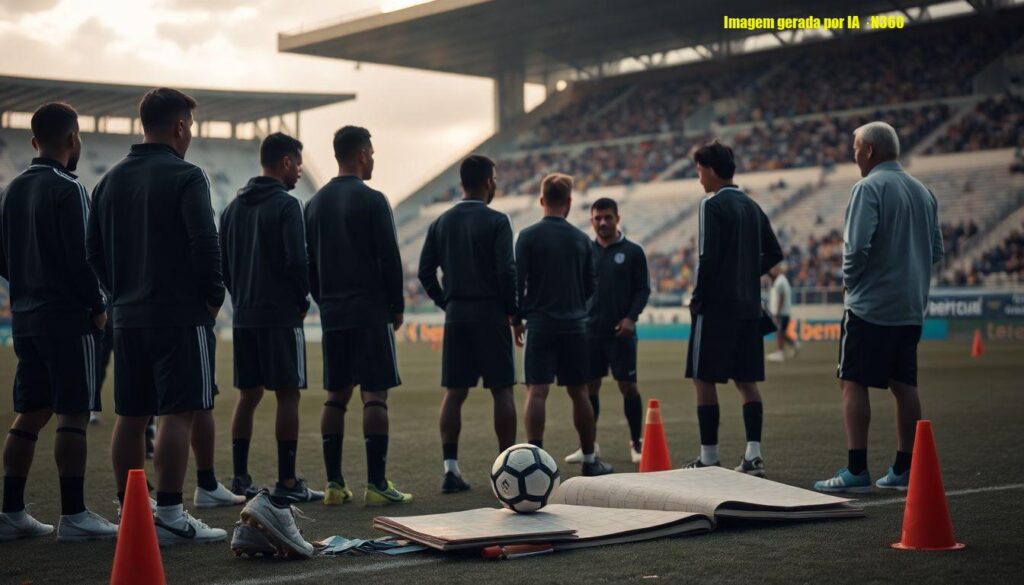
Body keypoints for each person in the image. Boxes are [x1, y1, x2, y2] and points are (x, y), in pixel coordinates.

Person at [87, 88, 235, 545]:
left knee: (131, 414)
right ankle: (170, 513)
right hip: (178, 313)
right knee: (178, 411)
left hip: (127, 315)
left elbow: (92, 251)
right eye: (190, 126)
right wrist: (213, 297)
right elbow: (205, 241)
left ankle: (133, 509)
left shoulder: (108, 180)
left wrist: (117, 294)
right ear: (179, 126)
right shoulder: (187, 175)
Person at [0, 102, 118, 542]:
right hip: (67, 319)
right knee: (73, 413)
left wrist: (28, 285)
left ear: (34, 141)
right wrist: (98, 304)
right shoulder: (69, 189)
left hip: (26, 317)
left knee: (30, 413)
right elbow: (81, 258)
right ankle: (74, 515)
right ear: (73, 138)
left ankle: (11, 512)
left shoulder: (11, 190)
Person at [814, 122, 944, 493]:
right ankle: (905, 468)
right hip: (910, 305)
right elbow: (936, 251)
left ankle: (856, 470)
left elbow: (856, 247)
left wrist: (850, 282)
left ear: (869, 150)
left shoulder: (868, 188)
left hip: (870, 305)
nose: (853, 154)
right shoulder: (924, 192)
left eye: (856, 147)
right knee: (904, 384)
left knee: (852, 380)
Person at [305, 126, 411, 505]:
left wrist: (325, 301)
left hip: (333, 312)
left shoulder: (313, 204)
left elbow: (309, 266)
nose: (373, 160)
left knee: (335, 396)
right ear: (363, 154)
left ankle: (334, 485)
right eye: (372, 153)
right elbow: (390, 258)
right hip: (369, 310)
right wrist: (396, 306)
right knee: (374, 396)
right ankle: (376, 484)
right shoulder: (373, 200)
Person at [220, 133, 321, 503]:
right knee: (288, 394)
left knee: (247, 395)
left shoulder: (231, 208)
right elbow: (298, 259)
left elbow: (224, 267)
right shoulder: (287, 205)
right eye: (298, 164)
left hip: (245, 315)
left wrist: (240, 297)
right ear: (285, 162)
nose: (300, 172)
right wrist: (301, 298)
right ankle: (288, 481)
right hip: (280, 314)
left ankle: (240, 478)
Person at [418, 155, 518, 493]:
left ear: (462, 183)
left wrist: (446, 302)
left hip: (457, 315)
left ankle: (450, 469)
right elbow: (507, 270)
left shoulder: (441, 222)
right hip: (491, 313)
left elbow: (425, 272)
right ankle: (506, 470)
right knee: (502, 390)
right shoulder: (498, 221)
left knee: (454, 392)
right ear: (488, 182)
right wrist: (513, 311)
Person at [684, 141, 782, 477]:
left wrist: (698, 297)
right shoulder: (752, 205)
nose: (699, 178)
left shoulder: (711, 205)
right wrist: (746, 272)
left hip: (717, 307)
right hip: (749, 307)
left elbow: (707, 257)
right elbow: (775, 253)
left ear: (710, 169)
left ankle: (709, 457)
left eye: (699, 171)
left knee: (703, 377)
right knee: (746, 380)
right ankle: (754, 455)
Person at [515, 173, 613, 477]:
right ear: (569, 202)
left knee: (537, 391)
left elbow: (517, 282)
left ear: (542, 200)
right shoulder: (581, 239)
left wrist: (517, 317)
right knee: (579, 392)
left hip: (540, 323)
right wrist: (575, 307)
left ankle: (535, 461)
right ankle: (589, 459)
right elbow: (591, 285)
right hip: (574, 325)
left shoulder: (528, 236)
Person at [565, 197, 649, 466]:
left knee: (628, 386)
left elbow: (643, 289)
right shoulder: (584, 251)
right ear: (591, 221)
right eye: (597, 218)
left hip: (621, 332)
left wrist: (631, 318)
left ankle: (636, 442)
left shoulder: (633, 252)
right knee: (589, 388)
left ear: (617, 219)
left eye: (607, 217)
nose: (603, 222)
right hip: (588, 331)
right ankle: (588, 445)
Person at [766, 264, 798, 362]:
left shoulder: (780, 281)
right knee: (781, 332)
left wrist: (777, 312)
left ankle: (780, 352)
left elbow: (781, 297)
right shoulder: (781, 280)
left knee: (779, 332)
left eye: (773, 270)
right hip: (783, 312)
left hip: (781, 312)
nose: (771, 272)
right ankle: (793, 343)